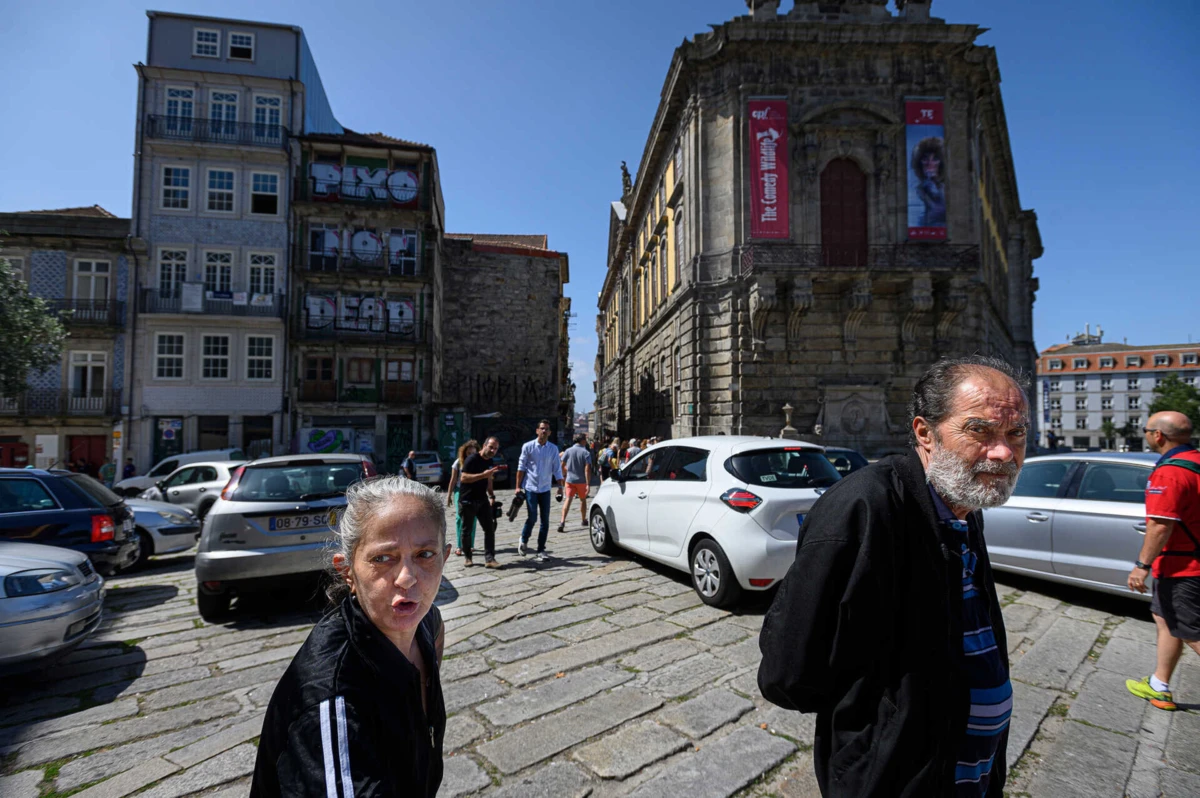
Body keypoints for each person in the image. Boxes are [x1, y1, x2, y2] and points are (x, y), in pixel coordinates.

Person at [758, 356, 1028, 797]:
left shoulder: (963, 504)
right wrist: (881, 719)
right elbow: (789, 673)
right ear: (925, 433)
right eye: (979, 430)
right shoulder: (864, 509)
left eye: (1015, 434)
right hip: (892, 779)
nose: (1003, 452)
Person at [251, 477, 449, 798]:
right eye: (383, 558)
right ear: (347, 571)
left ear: (446, 558)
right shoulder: (332, 700)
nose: (407, 578)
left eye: (425, 554)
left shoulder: (427, 624)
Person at [1125, 411, 1200, 712]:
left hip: (1184, 567)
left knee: (1192, 632)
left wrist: (1141, 566)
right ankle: (1160, 685)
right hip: (1190, 561)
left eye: (1146, 430)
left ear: (1158, 435)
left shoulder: (1170, 472)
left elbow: (1159, 525)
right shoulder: (1196, 460)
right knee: (1166, 620)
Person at [514, 420, 563, 563]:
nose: (544, 431)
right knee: (533, 517)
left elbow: (557, 468)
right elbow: (521, 467)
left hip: (545, 488)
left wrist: (560, 487)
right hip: (530, 487)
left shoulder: (553, 449)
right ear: (537, 431)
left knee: (545, 521)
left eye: (546, 429)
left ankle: (541, 549)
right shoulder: (528, 447)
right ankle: (524, 539)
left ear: (549, 432)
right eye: (542, 428)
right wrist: (518, 487)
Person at [459, 437, 502, 569]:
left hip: (482, 499)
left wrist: (492, 495)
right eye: (491, 447)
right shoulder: (471, 459)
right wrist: (482, 475)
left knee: (489, 529)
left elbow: (489, 479)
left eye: (495, 449)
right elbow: (463, 478)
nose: (493, 450)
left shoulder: (490, 461)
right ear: (484, 445)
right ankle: (468, 557)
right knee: (467, 530)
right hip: (468, 500)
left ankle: (490, 559)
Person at [445, 441, 479, 557]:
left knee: (473, 517)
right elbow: (453, 480)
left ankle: (470, 545)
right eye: (468, 453)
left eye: (473, 453)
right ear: (464, 452)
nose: (470, 455)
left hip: (474, 491)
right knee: (460, 518)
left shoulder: (478, 462)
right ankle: (459, 546)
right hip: (460, 491)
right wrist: (449, 495)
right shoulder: (458, 463)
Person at [558, 434, 593, 533]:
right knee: (583, 500)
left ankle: (562, 521)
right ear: (582, 441)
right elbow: (587, 469)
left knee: (568, 500)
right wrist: (588, 483)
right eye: (585, 440)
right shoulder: (586, 452)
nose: (586, 441)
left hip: (570, 480)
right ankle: (583, 520)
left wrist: (565, 473)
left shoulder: (568, 451)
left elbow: (562, 465)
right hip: (581, 481)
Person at [912, 136, 947, 227]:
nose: (929, 164)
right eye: (925, 159)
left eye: (935, 159)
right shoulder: (917, 190)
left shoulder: (947, 188)